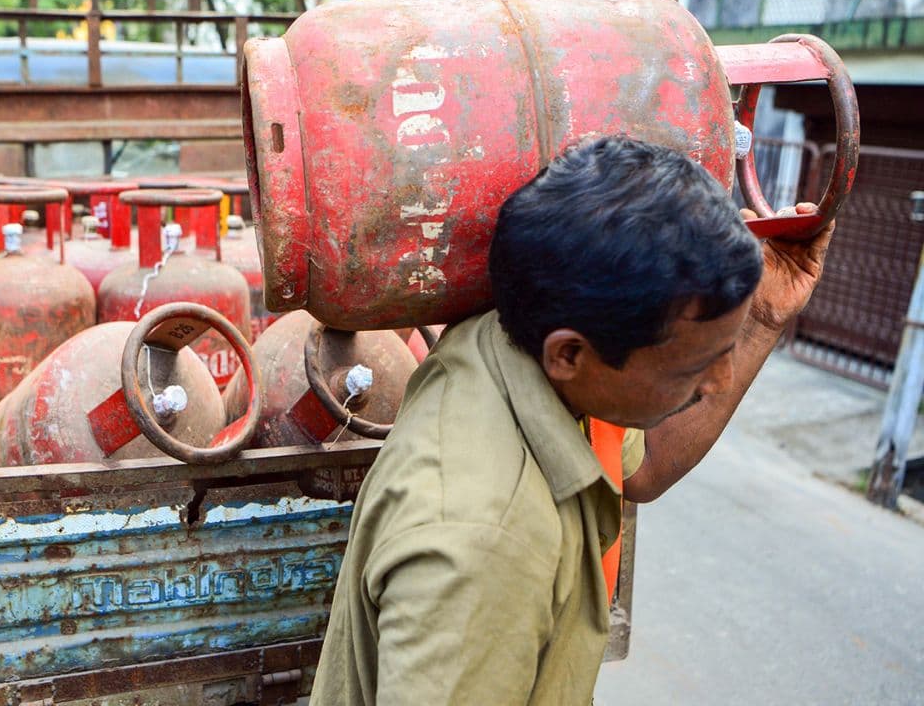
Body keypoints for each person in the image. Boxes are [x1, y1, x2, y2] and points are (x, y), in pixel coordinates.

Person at [310, 136, 834, 705]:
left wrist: (763, 316)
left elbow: (646, 466)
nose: (721, 382)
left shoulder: (515, 338)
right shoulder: (484, 546)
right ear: (569, 355)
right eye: (695, 364)